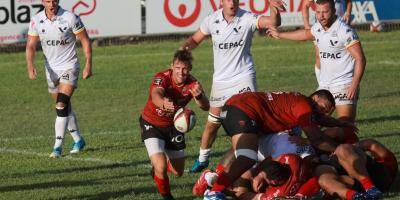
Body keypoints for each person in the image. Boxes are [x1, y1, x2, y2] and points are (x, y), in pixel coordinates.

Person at [180, 0, 286, 172]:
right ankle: (202, 159)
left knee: (249, 124)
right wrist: (184, 49)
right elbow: (195, 39)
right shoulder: (211, 20)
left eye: (235, 0)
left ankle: (253, 161)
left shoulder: (247, 18)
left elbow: (274, 22)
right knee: (212, 125)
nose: (232, 3)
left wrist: (273, 6)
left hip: (244, 78)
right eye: (229, 0)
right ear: (222, 2)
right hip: (221, 82)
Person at [203, 90, 356, 199]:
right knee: (247, 158)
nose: (322, 114)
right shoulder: (304, 107)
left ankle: (213, 177)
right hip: (244, 110)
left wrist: (337, 122)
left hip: (237, 107)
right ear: (315, 97)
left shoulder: (302, 104)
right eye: (322, 108)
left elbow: (319, 118)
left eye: (326, 112)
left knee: (246, 153)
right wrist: (341, 151)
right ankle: (214, 193)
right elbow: (317, 138)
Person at [267, 0, 366, 144]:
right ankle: (325, 157)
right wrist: (280, 34)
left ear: (333, 11)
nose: (321, 16)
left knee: (345, 128)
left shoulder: (344, 31)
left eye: (325, 12)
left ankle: (350, 159)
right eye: (318, 12)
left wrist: (354, 84)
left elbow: (360, 59)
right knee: (311, 124)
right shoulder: (318, 27)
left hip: (344, 85)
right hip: (324, 86)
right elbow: (306, 34)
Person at [139, 50, 209, 200]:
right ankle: (167, 195)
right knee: (161, 165)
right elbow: (156, 94)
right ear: (172, 66)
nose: (181, 72)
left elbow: (206, 106)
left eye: (184, 69)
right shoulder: (162, 77)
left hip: (174, 127)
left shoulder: (193, 84)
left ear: (189, 69)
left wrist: (199, 96)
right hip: (152, 124)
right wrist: (163, 103)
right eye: (177, 68)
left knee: (178, 172)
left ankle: (157, 170)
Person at [26, 0, 92, 158]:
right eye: (48, 1)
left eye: (54, 1)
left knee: (61, 105)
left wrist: (88, 64)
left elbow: (84, 40)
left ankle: (57, 147)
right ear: (43, 2)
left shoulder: (70, 18)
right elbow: (30, 45)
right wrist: (30, 65)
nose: (52, 4)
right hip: (51, 70)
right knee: (64, 106)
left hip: (70, 66)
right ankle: (78, 140)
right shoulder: (36, 20)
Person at [318, 139, 398, 199]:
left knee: (343, 149)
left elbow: (371, 144)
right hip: (355, 184)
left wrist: (351, 148)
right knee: (323, 177)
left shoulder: (337, 135)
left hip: (374, 175)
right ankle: (355, 197)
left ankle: (370, 188)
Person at [302, 0, 352, 86]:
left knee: (344, 56)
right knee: (319, 56)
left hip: (339, 29)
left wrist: (347, 13)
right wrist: (306, 25)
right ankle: (322, 85)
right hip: (321, 29)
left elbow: (349, 1)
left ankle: (344, 82)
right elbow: (305, 5)